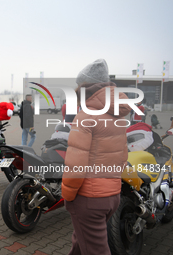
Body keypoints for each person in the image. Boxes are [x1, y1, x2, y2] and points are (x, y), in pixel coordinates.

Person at [62, 59, 131, 255]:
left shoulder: (86, 116)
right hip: (112, 195)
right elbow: (122, 157)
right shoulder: (117, 114)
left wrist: (68, 196)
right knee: (81, 240)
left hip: (88, 198)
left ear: (85, 88)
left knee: (95, 249)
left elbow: (76, 165)